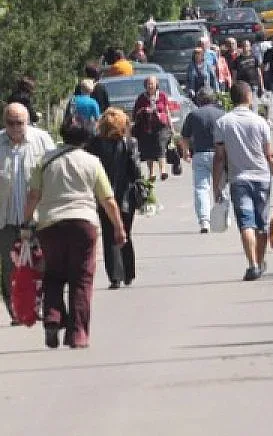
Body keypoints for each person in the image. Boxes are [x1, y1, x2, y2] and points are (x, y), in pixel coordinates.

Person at [22, 122, 127, 348]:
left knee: (53, 274)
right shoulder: (92, 162)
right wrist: (118, 227)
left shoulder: (45, 161)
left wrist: (26, 221)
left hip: (50, 224)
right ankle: (77, 334)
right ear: (86, 139)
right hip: (83, 223)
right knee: (81, 278)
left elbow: (33, 195)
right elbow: (107, 199)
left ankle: (52, 317)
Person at [213, 81, 273, 281]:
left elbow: (220, 157)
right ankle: (260, 259)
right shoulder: (260, 122)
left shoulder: (223, 123)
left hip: (238, 180)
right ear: (248, 97)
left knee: (246, 223)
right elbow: (270, 155)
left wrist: (216, 185)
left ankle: (253, 264)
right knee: (261, 224)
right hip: (262, 178)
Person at [0, 103, 55, 323]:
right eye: (10, 123)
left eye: (19, 123)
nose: (15, 127)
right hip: (5, 219)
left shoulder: (41, 140)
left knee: (40, 263)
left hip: (36, 218)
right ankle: (15, 310)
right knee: (9, 267)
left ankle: (37, 305)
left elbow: (53, 171)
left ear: (28, 122)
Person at [87, 109, 142, 289]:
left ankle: (115, 276)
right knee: (125, 231)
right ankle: (128, 272)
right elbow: (135, 171)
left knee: (109, 234)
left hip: (103, 195)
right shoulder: (130, 143)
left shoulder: (94, 143)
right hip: (126, 196)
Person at [180, 87, 225, 233]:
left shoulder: (193, 114)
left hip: (200, 154)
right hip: (219, 155)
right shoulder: (221, 114)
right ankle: (223, 217)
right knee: (221, 187)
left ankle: (204, 221)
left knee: (201, 188)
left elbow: (185, 137)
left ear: (199, 100)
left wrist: (186, 152)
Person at [132, 75, 173, 181]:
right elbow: (136, 112)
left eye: (152, 83)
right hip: (146, 127)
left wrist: (171, 126)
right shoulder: (141, 98)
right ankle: (151, 173)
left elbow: (167, 111)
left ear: (156, 84)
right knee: (149, 150)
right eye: (149, 84)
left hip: (161, 126)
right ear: (145, 85)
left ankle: (163, 171)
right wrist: (144, 110)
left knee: (161, 146)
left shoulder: (162, 96)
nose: (150, 86)